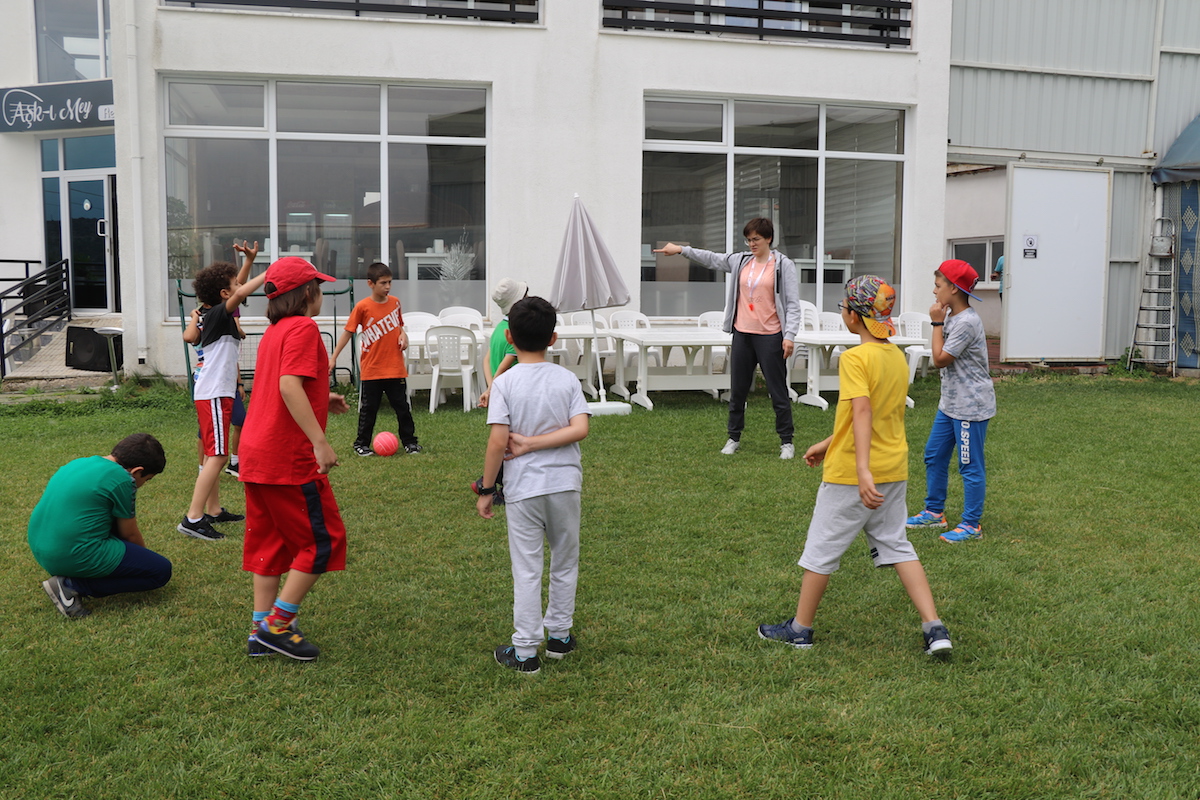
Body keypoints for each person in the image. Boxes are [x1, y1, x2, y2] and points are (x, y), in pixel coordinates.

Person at [757, 276, 952, 656]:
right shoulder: (896, 358)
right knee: (898, 546)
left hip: (852, 476)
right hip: (893, 469)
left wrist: (861, 470)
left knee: (821, 550)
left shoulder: (854, 359)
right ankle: (935, 627)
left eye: (844, 307)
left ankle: (800, 630)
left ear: (854, 316)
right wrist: (828, 443)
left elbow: (863, 411)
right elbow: (874, 415)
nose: (843, 312)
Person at [237, 256, 351, 660]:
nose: (320, 294)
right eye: (317, 288)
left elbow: (284, 385)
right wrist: (319, 441)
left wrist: (322, 396)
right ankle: (277, 625)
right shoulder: (304, 327)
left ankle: (259, 630)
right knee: (322, 542)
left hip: (255, 453)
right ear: (307, 293)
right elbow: (288, 386)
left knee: (270, 544)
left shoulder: (274, 331)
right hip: (287, 457)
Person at [476, 296, 590, 674]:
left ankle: (525, 652)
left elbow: (497, 442)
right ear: (553, 338)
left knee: (527, 568)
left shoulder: (505, 383)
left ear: (509, 337)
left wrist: (487, 490)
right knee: (565, 560)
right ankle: (559, 637)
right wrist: (536, 443)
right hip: (565, 485)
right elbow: (580, 428)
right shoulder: (566, 379)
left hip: (524, 488)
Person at [654, 218, 801, 459]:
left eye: (756, 239)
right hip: (742, 334)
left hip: (770, 336)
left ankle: (787, 442)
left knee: (778, 391)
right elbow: (711, 258)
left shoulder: (783, 265)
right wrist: (681, 250)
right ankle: (733, 437)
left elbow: (793, 305)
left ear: (769, 239)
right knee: (738, 391)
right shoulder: (741, 261)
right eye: (748, 240)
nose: (752, 244)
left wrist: (790, 336)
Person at [29, 433, 171, 619]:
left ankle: (71, 576)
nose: (143, 484)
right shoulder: (123, 479)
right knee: (160, 571)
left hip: (42, 548)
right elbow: (129, 534)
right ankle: (71, 585)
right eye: (147, 479)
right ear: (137, 471)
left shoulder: (79, 462)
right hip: (69, 555)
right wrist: (143, 562)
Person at [179, 241, 265, 541]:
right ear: (224, 295)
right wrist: (268, 273)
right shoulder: (216, 314)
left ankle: (213, 510)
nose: (239, 287)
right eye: (234, 285)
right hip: (214, 392)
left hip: (216, 392)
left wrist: (249, 261)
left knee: (213, 454)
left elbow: (236, 288)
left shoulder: (215, 312)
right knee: (217, 456)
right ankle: (193, 518)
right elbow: (238, 292)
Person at [905, 259, 996, 543]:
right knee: (934, 454)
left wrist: (936, 323)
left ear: (954, 289)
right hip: (950, 404)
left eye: (938, 285)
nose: (934, 291)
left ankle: (971, 525)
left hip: (970, 407)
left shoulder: (966, 322)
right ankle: (934, 512)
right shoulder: (954, 318)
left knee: (969, 465)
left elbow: (940, 359)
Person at [329, 261, 422, 457]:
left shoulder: (395, 303)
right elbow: (348, 333)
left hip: (395, 368)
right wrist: (334, 357)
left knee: (403, 409)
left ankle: (410, 442)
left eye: (390, 282)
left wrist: (403, 335)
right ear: (370, 284)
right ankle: (361, 444)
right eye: (383, 283)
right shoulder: (362, 307)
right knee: (369, 410)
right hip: (372, 369)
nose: (388, 287)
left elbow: (399, 326)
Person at [470, 277, 528, 504]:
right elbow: (504, 365)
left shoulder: (499, 329)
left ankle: (492, 484)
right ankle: (491, 484)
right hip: (511, 395)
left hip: (499, 392)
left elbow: (487, 360)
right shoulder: (515, 332)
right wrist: (492, 388)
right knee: (510, 443)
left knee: (505, 441)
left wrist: (490, 387)